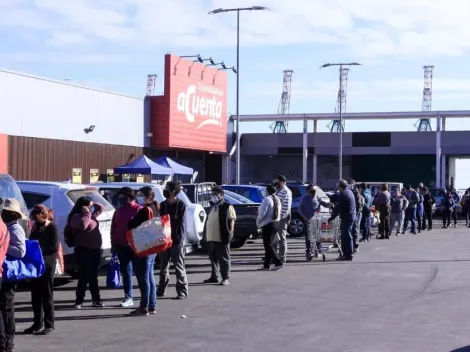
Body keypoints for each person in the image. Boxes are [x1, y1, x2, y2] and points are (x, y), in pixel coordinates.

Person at [25, 205, 59, 335]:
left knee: (47, 295)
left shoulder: (52, 227)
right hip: (35, 265)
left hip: (47, 265)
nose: (34, 220)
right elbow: (32, 241)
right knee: (35, 296)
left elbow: (54, 247)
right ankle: (37, 323)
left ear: (42, 215)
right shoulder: (36, 227)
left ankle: (49, 323)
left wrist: (38, 250)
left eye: (36, 217)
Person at [127, 186, 159, 315]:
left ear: (148, 197)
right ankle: (152, 305)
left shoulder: (145, 210)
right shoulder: (155, 207)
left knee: (143, 277)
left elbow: (132, 225)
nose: (138, 197)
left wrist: (131, 220)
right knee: (150, 276)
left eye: (141, 195)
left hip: (144, 246)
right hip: (153, 245)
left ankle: (144, 306)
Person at [68, 196, 105, 309]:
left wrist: (93, 203)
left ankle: (96, 300)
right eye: (88, 205)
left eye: (90, 206)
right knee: (84, 276)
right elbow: (83, 225)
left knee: (93, 276)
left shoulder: (92, 216)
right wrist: (87, 213)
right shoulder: (76, 217)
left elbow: (101, 207)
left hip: (95, 250)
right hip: (83, 250)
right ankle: (79, 301)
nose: (90, 208)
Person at [0, 199, 25, 350]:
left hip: (10, 273)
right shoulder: (7, 227)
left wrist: (5, 246)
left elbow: (21, 252)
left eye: (5, 212)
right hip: (5, 271)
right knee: (4, 307)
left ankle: (8, 341)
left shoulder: (15, 229)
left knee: (7, 307)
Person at [111, 187, 142, 307]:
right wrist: (113, 243)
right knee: (126, 272)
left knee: (140, 273)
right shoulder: (118, 210)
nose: (120, 199)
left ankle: (145, 298)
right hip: (121, 245)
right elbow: (113, 228)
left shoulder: (139, 209)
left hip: (136, 246)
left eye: (122, 196)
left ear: (129, 197)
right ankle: (128, 297)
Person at [158, 182, 188, 298]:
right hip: (165, 240)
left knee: (179, 266)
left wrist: (170, 219)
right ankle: (161, 290)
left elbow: (180, 221)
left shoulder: (181, 205)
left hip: (177, 240)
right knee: (163, 267)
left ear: (173, 191)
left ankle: (182, 291)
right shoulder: (163, 205)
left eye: (167, 189)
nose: (165, 190)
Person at [204, 186, 236, 285]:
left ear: (221, 195)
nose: (213, 196)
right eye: (212, 194)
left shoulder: (227, 206)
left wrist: (229, 233)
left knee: (224, 258)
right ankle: (214, 276)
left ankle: (225, 277)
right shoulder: (212, 206)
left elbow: (232, 220)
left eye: (215, 194)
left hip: (221, 236)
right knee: (213, 258)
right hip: (211, 237)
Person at [298, 185, 329, 261]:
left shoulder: (317, 197)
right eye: (312, 191)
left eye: (314, 191)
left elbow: (322, 203)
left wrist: (328, 204)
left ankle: (318, 249)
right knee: (309, 237)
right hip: (308, 221)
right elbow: (300, 209)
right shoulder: (304, 199)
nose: (313, 192)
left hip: (317, 220)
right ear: (308, 191)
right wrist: (305, 218)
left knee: (318, 235)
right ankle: (308, 251)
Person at [327, 180, 356, 261]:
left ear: (340, 186)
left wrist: (332, 217)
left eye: (338, 186)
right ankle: (347, 253)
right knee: (346, 234)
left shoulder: (343, 194)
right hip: (351, 214)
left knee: (346, 235)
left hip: (347, 216)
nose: (337, 187)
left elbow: (338, 207)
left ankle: (348, 254)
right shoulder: (349, 191)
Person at [256, 185, 283, 269]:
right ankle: (266, 265)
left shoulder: (267, 199)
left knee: (268, 245)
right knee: (269, 244)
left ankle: (278, 262)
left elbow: (262, 213)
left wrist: (258, 221)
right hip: (276, 223)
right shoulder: (277, 199)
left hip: (268, 224)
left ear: (267, 191)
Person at [273, 175, 292, 264]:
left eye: (277, 182)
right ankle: (274, 256)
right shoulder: (279, 190)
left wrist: (279, 218)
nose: (276, 183)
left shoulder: (285, 191)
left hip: (282, 218)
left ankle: (282, 257)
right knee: (274, 238)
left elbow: (285, 207)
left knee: (281, 238)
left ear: (282, 182)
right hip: (277, 218)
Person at [350, 183, 364, 251]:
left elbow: (358, 204)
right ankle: (354, 245)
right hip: (357, 212)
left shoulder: (355, 193)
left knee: (354, 229)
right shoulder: (356, 193)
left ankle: (355, 245)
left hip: (355, 213)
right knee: (355, 229)